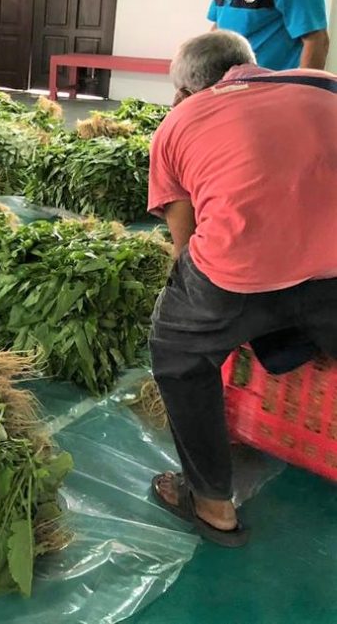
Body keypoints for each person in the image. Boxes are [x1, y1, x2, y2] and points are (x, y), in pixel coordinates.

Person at [147, 30, 337, 547]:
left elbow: (185, 244)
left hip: (241, 271)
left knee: (179, 351)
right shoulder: (323, 83)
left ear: (184, 91)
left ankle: (212, 506)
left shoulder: (179, 120)